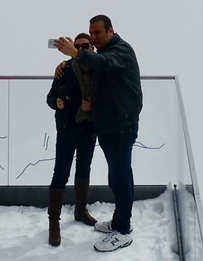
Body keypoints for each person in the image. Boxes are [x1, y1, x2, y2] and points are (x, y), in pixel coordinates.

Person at [53, 14, 142, 253]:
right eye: (90, 33)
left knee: (120, 177)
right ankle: (120, 221)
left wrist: (75, 53)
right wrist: (65, 65)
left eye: (97, 33)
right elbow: (93, 73)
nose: (93, 37)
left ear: (111, 31)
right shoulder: (104, 53)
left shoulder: (121, 51)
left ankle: (122, 231)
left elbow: (104, 64)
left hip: (121, 126)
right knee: (120, 175)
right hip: (112, 126)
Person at [45, 32, 99, 246]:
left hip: (88, 128)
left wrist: (92, 107)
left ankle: (80, 209)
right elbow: (50, 97)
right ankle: (53, 223)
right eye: (78, 46)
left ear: (92, 48)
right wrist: (56, 102)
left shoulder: (99, 69)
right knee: (60, 174)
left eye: (86, 46)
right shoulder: (65, 69)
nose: (82, 49)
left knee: (84, 169)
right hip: (67, 130)